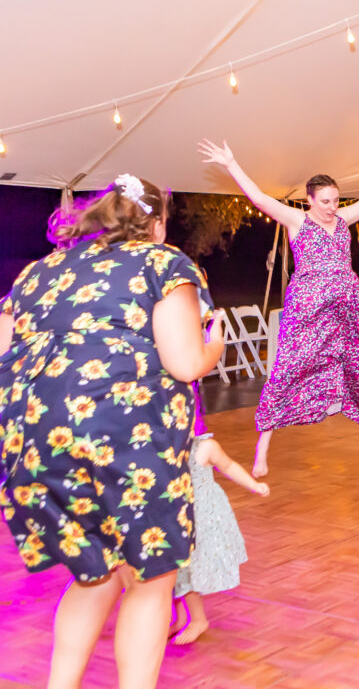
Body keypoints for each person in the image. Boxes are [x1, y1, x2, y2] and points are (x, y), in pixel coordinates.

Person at [0, 175, 224, 688]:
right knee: (150, 579)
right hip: (124, 442)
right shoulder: (163, 263)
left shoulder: (39, 271)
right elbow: (186, 362)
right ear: (158, 222)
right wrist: (215, 345)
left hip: (35, 447)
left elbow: (5, 352)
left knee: (94, 575)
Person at [198, 139, 359, 477]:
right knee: (288, 369)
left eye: (336, 200)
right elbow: (259, 198)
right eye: (325, 201)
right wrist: (232, 164)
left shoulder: (343, 219)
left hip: (344, 308)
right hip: (307, 309)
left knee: (358, 363)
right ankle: (262, 449)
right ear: (309, 200)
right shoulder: (296, 221)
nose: (332, 207)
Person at [168, 387, 269, 645]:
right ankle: (179, 617)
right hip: (173, 517)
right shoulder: (164, 447)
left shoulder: (205, 447)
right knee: (170, 571)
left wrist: (254, 485)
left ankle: (198, 619)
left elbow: (229, 466)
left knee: (186, 570)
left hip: (200, 518)